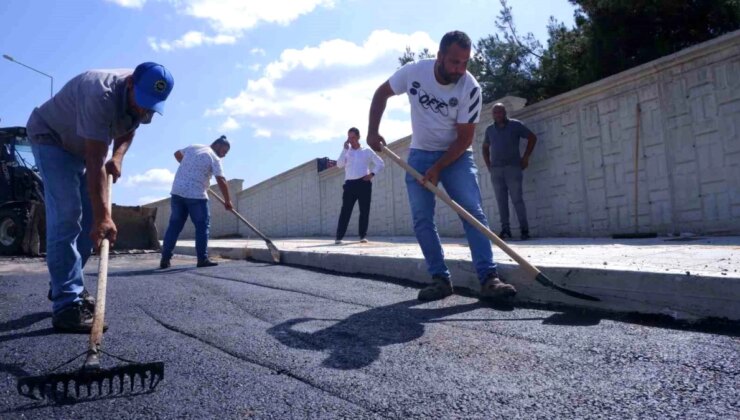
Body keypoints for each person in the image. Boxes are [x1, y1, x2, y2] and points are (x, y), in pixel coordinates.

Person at [366, 31, 516, 301]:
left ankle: (489, 277)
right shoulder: (414, 72)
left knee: (472, 212)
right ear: (440, 56)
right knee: (422, 219)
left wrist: (438, 167)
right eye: (454, 62)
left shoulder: (470, 88)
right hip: (420, 154)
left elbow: (465, 138)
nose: (460, 69)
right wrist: (372, 131)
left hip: (456, 155)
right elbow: (381, 93)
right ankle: (440, 279)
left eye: (465, 63)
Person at [26, 62, 174, 332]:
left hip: (82, 146)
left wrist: (118, 157)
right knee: (68, 216)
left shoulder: (143, 100)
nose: (144, 110)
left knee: (90, 223)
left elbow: (130, 126)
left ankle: (66, 284)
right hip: (51, 139)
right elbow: (95, 160)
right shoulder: (100, 93)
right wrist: (105, 217)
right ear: (129, 83)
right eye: (141, 102)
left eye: (150, 106)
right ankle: (67, 307)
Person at [159, 136, 234, 269]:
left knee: (174, 226)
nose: (224, 155)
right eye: (224, 151)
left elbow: (177, 154)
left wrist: (191, 168)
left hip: (177, 191)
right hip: (196, 195)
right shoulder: (214, 158)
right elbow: (221, 179)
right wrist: (227, 201)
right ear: (217, 145)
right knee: (202, 226)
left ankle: (165, 259)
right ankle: (202, 259)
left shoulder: (195, 147)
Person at [482, 103, 537, 240]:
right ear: (493, 115)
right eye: (495, 113)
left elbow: (532, 137)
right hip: (496, 170)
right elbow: (485, 147)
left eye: (500, 112)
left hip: (513, 167)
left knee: (517, 199)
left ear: (505, 113)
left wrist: (525, 158)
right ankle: (505, 230)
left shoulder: (516, 125)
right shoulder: (489, 129)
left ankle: (524, 230)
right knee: (501, 201)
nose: (498, 115)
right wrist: (488, 164)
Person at [335, 127, 384, 244]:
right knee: (345, 211)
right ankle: (339, 238)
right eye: (349, 138)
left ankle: (362, 236)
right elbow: (339, 165)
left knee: (364, 210)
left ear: (358, 137)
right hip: (349, 185)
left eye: (353, 137)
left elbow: (380, 163)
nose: (351, 140)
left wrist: (372, 174)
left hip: (364, 184)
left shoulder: (367, 151)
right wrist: (344, 150)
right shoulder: (347, 152)